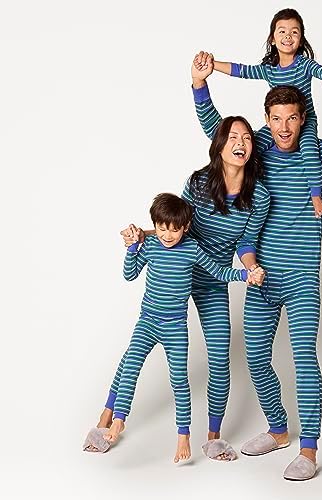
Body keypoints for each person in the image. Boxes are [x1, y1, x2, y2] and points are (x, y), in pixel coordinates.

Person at [191, 51, 322, 480]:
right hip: (260, 278)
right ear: (267, 119)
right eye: (276, 119)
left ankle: (309, 450)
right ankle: (279, 430)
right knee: (256, 358)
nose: (284, 128)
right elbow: (218, 134)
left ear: (303, 120)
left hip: (301, 281)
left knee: (304, 359)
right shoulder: (258, 152)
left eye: (292, 119)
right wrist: (200, 85)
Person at [100, 115, 271, 461]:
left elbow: (246, 243)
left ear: (252, 147)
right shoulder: (197, 182)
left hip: (213, 277)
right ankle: (107, 415)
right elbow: (174, 225)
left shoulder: (259, 195)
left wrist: (251, 268)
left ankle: (213, 437)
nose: (240, 143)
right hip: (175, 271)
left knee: (219, 358)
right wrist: (140, 236)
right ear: (219, 145)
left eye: (246, 138)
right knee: (135, 351)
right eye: (232, 137)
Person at [195, 7, 322, 218]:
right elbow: (241, 70)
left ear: (301, 40)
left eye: (294, 32)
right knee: (250, 146)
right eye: (282, 31)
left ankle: (316, 195)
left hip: (305, 122)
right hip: (278, 122)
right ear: (272, 39)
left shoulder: (304, 64)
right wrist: (212, 65)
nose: (288, 36)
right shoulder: (269, 68)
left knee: (310, 152)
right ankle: (234, 189)